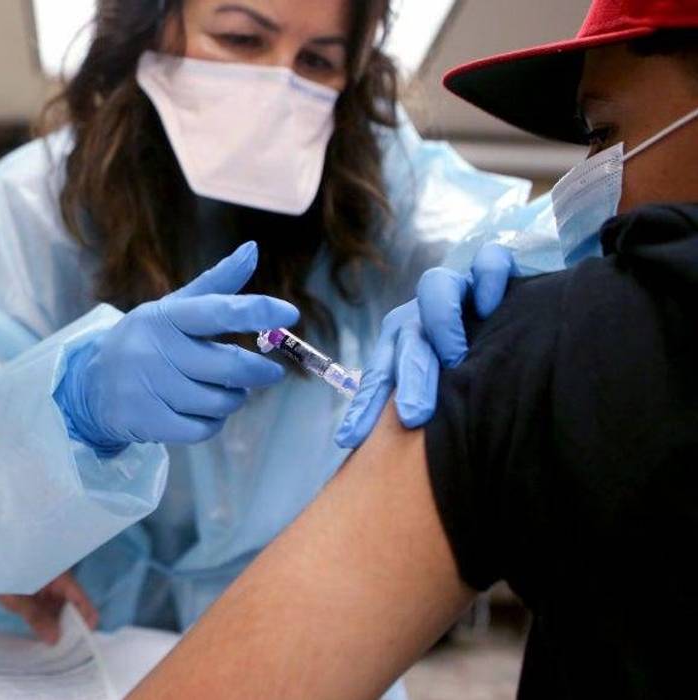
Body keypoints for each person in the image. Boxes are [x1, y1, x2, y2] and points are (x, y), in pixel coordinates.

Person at [0, 0, 533, 647]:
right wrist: (74, 407)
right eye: (241, 37)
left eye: (317, 59)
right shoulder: (24, 210)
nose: (277, 82)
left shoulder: (377, 186)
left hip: (310, 645)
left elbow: (521, 242)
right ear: (151, 24)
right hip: (84, 643)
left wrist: (500, 273)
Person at [129, 1, 698, 697]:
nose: (588, 188)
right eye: (241, 37)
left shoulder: (548, 341)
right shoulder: (27, 212)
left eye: (604, 133)